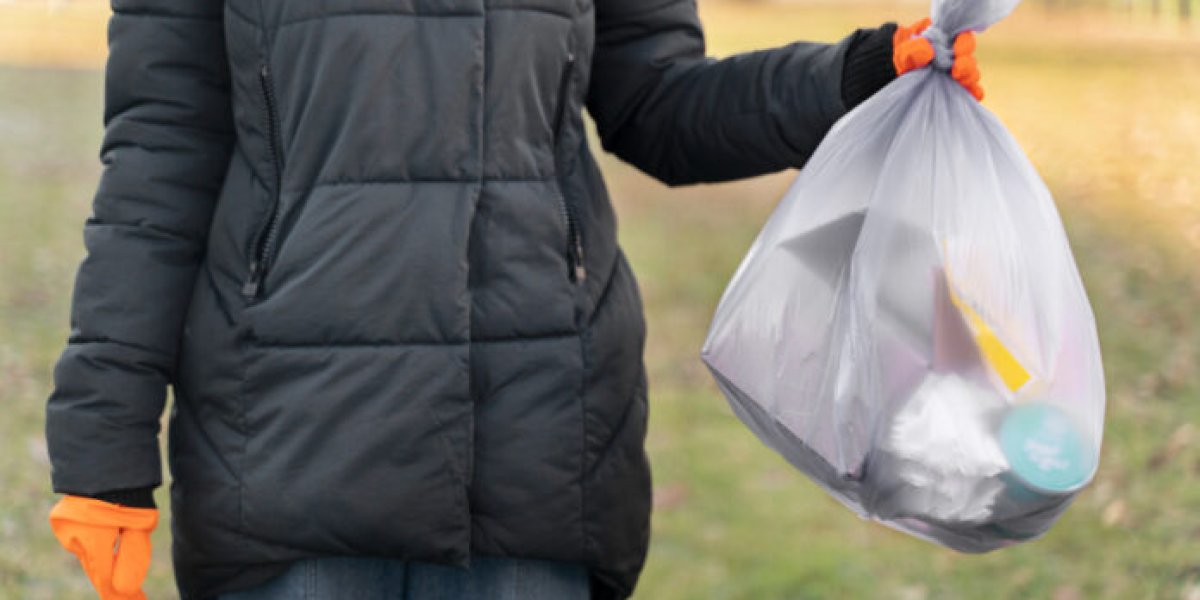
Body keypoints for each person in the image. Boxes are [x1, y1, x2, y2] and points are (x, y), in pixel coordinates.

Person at [43, 2, 980, 599]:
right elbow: (160, 165)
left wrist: (855, 78)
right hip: (287, 459)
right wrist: (103, 446)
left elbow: (657, 102)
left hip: (535, 444)